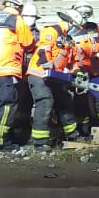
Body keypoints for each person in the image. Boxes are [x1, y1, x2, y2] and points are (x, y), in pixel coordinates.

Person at [0, 0, 34, 150]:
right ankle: (1, 142)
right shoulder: (16, 20)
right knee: (7, 107)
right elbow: (29, 43)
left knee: (0, 105)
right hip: (7, 69)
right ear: (19, 7)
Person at [25, 9, 83, 149]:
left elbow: (73, 61)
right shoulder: (51, 31)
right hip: (39, 75)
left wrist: (77, 72)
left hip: (54, 78)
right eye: (75, 28)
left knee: (65, 101)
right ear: (70, 23)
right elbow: (43, 51)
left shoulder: (69, 41)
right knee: (45, 102)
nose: (75, 31)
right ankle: (39, 142)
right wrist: (48, 67)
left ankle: (72, 134)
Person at [68, 0, 99, 136]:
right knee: (81, 103)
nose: (84, 17)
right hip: (79, 71)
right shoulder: (69, 29)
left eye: (87, 14)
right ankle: (84, 131)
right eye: (82, 14)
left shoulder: (93, 27)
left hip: (95, 71)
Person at [13, 3, 41, 142]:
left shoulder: (39, 34)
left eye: (33, 16)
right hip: (16, 72)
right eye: (27, 16)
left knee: (27, 102)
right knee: (15, 101)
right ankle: (15, 129)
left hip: (31, 74)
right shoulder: (15, 31)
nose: (30, 19)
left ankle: (24, 128)